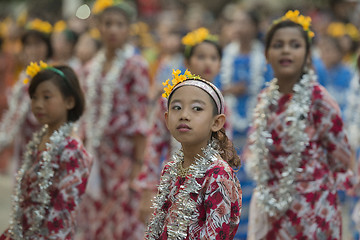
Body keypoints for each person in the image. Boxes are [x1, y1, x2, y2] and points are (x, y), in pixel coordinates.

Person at [245, 10, 356, 239]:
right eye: (278, 45)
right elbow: (254, 145)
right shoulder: (264, 99)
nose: (286, 50)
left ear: (307, 56)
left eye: (295, 45)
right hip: (272, 206)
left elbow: (341, 155)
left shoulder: (320, 100)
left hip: (313, 207)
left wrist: (314, 182)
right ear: (267, 54)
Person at [136, 27, 232, 223]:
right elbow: (154, 145)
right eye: (201, 56)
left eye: (213, 58)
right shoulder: (169, 101)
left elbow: (225, 148)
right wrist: (148, 191)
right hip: (173, 178)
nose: (207, 63)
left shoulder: (222, 105)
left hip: (209, 182)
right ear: (187, 62)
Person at [75, 0, 150, 239]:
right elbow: (84, 115)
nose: (113, 29)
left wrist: (138, 168)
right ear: (98, 26)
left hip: (124, 159)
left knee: (121, 222)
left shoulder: (135, 66)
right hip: (94, 156)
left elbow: (140, 121)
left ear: (129, 28)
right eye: (108, 23)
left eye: (119, 24)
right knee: (93, 219)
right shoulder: (89, 68)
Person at [145, 70, 242, 239]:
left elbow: (215, 234)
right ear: (167, 119)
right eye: (177, 108)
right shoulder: (170, 169)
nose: (184, 115)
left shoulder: (218, 174)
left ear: (216, 122)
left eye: (197, 108)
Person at [0, 61, 91, 240]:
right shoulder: (39, 140)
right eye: (34, 97)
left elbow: (64, 214)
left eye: (46, 97)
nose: (38, 104)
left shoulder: (72, 150)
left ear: (70, 101)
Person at [0, 18, 53, 172]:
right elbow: (14, 115)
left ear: (47, 47)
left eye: (38, 44)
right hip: (23, 146)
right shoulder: (25, 77)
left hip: (46, 147)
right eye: (28, 45)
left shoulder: (53, 76)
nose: (32, 49)